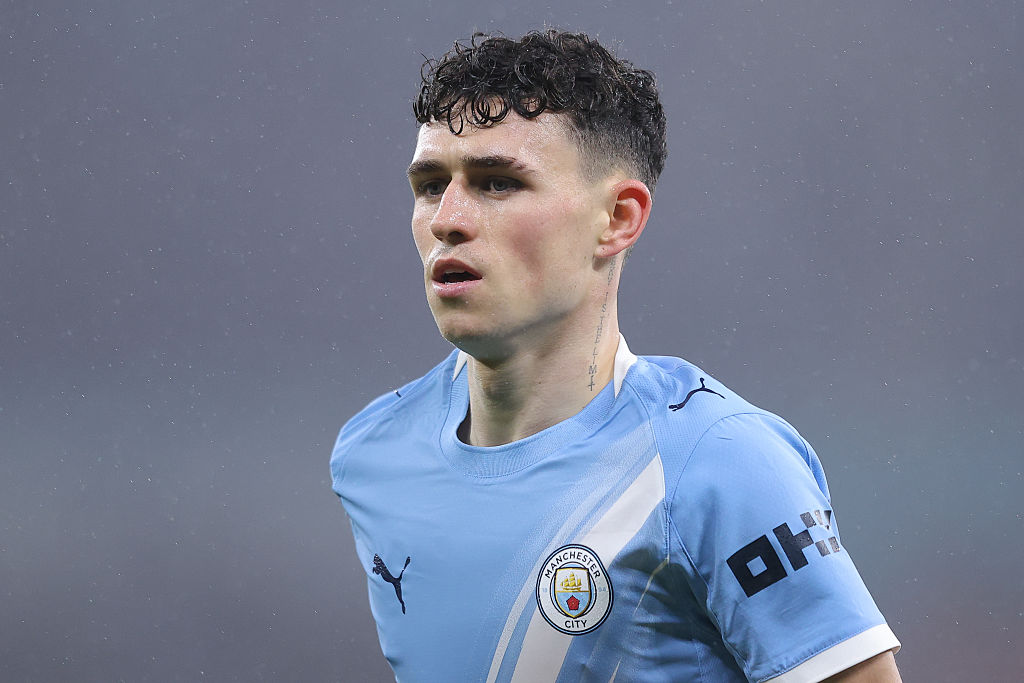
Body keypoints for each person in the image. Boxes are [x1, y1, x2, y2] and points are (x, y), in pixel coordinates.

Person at [330, 30, 901, 682]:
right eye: (431, 184)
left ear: (619, 219)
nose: (447, 218)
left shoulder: (717, 463)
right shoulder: (373, 453)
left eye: (496, 183)